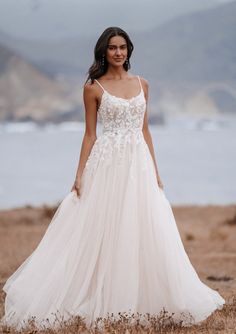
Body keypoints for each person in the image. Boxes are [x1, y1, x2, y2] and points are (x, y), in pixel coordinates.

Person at [1, 26, 225, 331]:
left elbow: (145, 130)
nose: (118, 52)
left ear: (129, 50)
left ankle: (148, 301)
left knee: (143, 228)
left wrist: (156, 171)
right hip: (107, 163)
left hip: (139, 163)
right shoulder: (93, 87)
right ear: (103, 52)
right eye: (112, 48)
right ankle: (101, 297)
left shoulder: (143, 84)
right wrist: (79, 174)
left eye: (122, 47)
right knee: (104, 228)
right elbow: (90, 135)